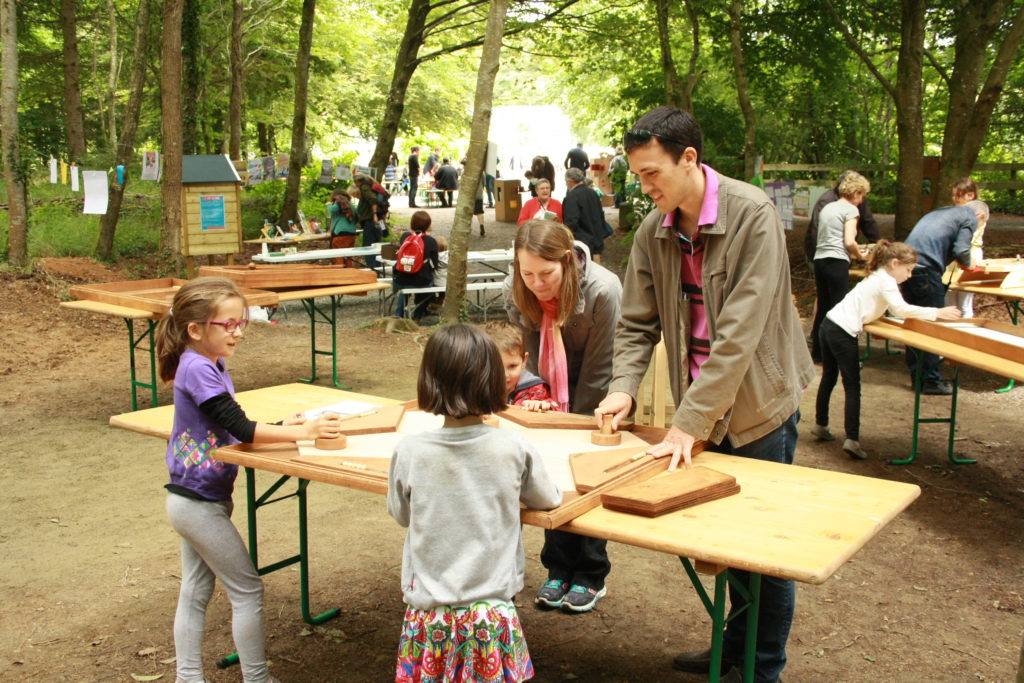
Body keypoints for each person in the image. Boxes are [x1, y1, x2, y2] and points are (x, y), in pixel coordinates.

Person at [595, 105, 814, 683]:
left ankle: (760, 668)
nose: (644, 189)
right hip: (699, 407)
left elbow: (738, 337)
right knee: (719, 537)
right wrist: (622, 389)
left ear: (689, 159)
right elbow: (636, 323)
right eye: (638, 177)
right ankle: (733, 647)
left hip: (759, 405)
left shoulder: (752, 214)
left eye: (651, 175)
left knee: (762, 549)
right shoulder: (653, 229)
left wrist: (687, 424)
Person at [155, 277, 343, 683]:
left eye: (243, 323)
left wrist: (281, 425)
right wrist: (304, 432)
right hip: (195, 501)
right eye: (229, 324)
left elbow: (231, 427)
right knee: (247, 590)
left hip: (200, 496)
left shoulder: (210, 363)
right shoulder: (198, 368)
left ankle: (188, 678)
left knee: (196, 590)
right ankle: (256, 679)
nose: (238, 331)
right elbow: (240, 424)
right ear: (196, 329)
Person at [388, 323, 562, 683]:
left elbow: (401, 515)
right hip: (491, 614)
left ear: (429, 380)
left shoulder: (409, 451)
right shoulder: (514, 447)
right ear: (492, 379)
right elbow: (548, 498)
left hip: (428, 614)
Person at [502, 220, 622, 613]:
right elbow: (525, 355)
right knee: (548, 476)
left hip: (591, 389)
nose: (536, 283)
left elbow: (601, 369)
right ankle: (557, 568)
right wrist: (538, 402)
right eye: (527, 273)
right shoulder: (515, 288)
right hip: (545, 392)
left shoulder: (603, 290)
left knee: (588, 477)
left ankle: (590, 574)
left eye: (547, 273)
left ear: (567, 261)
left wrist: (579, 424)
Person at [813, 241, 962, 459]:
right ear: (894, 263)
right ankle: (852, 439)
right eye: (908, 270)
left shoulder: (877, 276)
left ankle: (820, 424)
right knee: (852, 385)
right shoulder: (887, 281)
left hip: (829, 324)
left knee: (829, 377)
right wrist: (936, 312)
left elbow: (886, 309)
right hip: (842, 331)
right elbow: (900, 309)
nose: (909, 276)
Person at [902, 200, 989, 394]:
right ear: (980, 217)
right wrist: (970, 265)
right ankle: (932, 382)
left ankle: (918, 378)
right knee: (933, 323)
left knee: (915, 322)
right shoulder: (969, 218)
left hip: (906, 267)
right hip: (926, 270)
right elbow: (961, 250)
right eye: (981, 226)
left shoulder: (944, 212)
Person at [809, 171, 872, 362]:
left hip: (820, 260)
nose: (861, 201)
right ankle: (839, 356)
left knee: (824, 307)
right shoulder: (851, 210)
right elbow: (849, 241)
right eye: (862, 195)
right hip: (837, 261)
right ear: (855, 192)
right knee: (840, 309)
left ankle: (818, 352)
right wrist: (860, 254)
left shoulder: (828, 207)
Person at [803, 169, 881, 263]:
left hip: (842, 255)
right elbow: (816, 230)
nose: (861, 200)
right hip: (823, 254)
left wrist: (880, 246)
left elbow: (868, 223)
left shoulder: (858, 199)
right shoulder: (826, 201)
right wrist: (818, 258)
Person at [483, 320, 559, 411]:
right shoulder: (476, 388)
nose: (505, 375)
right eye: (496, 367)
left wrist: (542, 406)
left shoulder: (535, 390)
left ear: (524, 361)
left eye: (512, 366)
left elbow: (556, 412)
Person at [944, 178, 982, 317]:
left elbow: (965, 238)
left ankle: (966, 333)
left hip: (970, 254)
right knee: (949, 297)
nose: (955, 199)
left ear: (970, 195)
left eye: (958, 195)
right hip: (952, 257)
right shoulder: (955, 211)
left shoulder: (978, 213)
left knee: (964, 300)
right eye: (954, 195)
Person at [393, 210, 440, 322]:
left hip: (401, 279)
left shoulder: (405, 237)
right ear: (428, 225)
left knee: (406, 284)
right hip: (422, 280)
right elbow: (434, 265)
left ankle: (399, 314)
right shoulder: (431, 241)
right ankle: (417, 315)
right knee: (429, 283)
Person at [562, 167, 607, 262]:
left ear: (570, 181)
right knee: (596, 270)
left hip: (581, 242)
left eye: (566, 182)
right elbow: (601, 215)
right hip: (596, 238)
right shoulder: (593, 193)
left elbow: (571, 221)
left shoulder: (572, 196)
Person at [352, 174, 381, 268]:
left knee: (368, 246)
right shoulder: (372, 185)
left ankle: (373, 268)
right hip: (377, 221)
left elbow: (373, 199)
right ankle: (377, 267)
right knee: (376, 245)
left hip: (370, 221)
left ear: (358, 182)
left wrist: (374, 214)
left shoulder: (364, 188)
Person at [327, 189, 358, 267]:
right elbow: (357, 217)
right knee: (349, 256)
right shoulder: (350, 204)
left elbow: (332, 210)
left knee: (338, 256)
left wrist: (329, 205)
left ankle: (340, 274)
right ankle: (349, 272)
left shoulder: (339, 202)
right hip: (352, 233)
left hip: (340, 233)